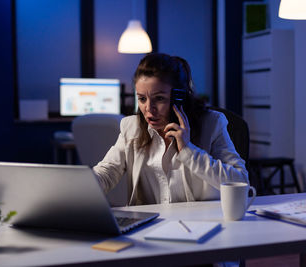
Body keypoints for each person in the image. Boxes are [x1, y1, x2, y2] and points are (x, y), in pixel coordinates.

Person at [93, 53, 248, 206]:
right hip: (149, 225)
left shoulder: (212, 123)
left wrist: (188, 150)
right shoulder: (131, 127)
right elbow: (107, 172)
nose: (149, 109)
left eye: (159, 98)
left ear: (178, 97)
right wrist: (82, 185)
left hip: (200, 223)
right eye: (142, 99)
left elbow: (241, 181)